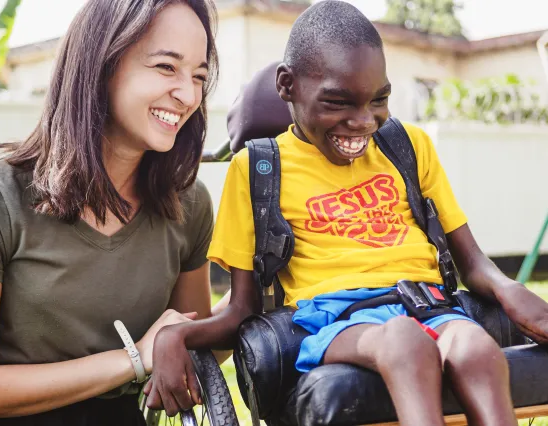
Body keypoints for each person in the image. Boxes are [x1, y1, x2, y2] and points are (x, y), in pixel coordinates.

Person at [147, 1, 548, 425]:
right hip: (335, 319)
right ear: (287, 85)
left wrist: (510, 290)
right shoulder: (258, 170)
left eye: (379, 100)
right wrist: (177, 335)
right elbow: (242, 310)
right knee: (404, 343)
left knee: (476, 349)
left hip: (430, 305)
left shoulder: (408, 148)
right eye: (339, 102)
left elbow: (473, 261)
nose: (363, 123)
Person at [0, 0, 221, 424]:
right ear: (103, 63)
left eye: (199, 75)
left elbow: (193, 350)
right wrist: (132, 359)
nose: (188, 95)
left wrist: (260, 287)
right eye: (167, 67)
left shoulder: (188, 204)